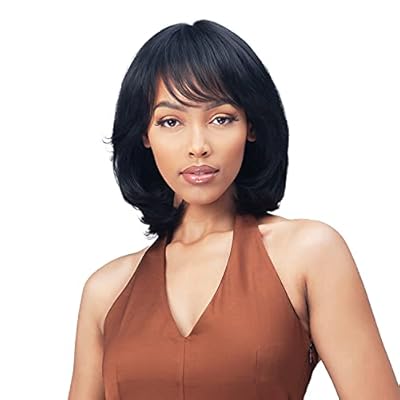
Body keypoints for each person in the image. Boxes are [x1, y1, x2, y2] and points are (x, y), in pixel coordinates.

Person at [68, 19, 400, 399]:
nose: (198, 145)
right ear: (145, 134)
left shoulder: (308, 253)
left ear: (251, 126)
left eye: (220, 118)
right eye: (171, 121)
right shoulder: (106, 292)